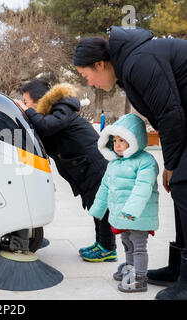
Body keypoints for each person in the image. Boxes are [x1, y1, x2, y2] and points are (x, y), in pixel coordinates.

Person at [73, 26, 187, 300]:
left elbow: (170, 114)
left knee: (182, 184)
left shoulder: (138, 61)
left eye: (87, 76)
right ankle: (178, 270)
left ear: (100, 64)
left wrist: (170, 165)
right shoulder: (131, 64)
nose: (90, 83)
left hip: (181, 120)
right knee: (182, 190)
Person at [15, 79, 117, 261]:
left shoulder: (62, 109)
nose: (25, 104)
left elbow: (46, 127)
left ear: (38, 101)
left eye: (27, 101)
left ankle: (108, 248)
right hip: (84, 165)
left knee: (101, 206)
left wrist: (27, 110)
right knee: (94, 205)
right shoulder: (52, 112)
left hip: (94, 164)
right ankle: (101, 243)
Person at [89, 113, 159, 292]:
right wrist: (98, 208)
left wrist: (132, 210)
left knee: (138, 246)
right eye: (115, 140)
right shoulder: (114, 164)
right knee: (127, 243)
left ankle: (140, 278)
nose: (117, 145)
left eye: (122, 140)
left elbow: (143, 187)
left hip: (138, 216)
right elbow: (105, 187)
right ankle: (130, 271)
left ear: (135, 139)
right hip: (121, 215)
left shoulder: (145, 162)